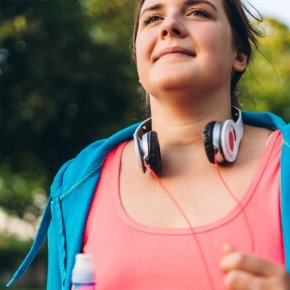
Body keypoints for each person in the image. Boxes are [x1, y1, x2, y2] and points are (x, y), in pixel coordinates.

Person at [7, 0, 290, 289]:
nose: (169, 26)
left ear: (239, 54)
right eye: (153, 18)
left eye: (198, 12)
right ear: (138, 61)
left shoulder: (284, 163)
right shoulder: (75, 184)